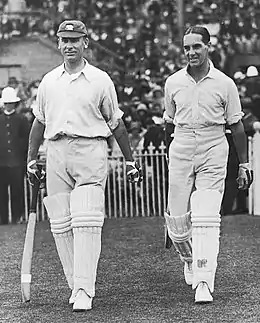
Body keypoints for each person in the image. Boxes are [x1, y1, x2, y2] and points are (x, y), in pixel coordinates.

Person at [26, 20, 142, 312]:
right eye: (64, 40)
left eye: (75, 40)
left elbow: (116, 123)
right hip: (55, 151)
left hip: (90, 147)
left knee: (86, 221)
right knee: (61, 224)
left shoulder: (100, 79)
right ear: (58, 44)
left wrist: (129, 159)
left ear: (85, 42)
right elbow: (39, 121)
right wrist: (30, 158)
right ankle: (75, 283)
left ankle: (84, 290)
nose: (69, 45)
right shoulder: (49, 81)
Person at [163, 26, 253, 304]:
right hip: (182, 146)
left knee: (205, 217)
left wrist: (244, 164)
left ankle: (204, 280)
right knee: (177, 224)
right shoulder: (173, 82)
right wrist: (172, 153)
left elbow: (236, 127)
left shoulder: (225, 83)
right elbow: (169, 122)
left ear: (208, 47)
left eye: (196, 47)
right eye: (187, 47)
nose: (191, 52)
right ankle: (189, 258)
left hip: (214, 146)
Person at [0, 86, 30, 224]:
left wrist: (23, 156)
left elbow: (27, 139)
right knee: (1, 193)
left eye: (10, 103)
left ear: (14, 103)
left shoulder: (22, 120)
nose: (8, 105)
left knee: (17, 191)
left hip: (17, 162)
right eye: (6, 103)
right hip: (2, 162)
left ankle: (18, 217)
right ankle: (3, 219)